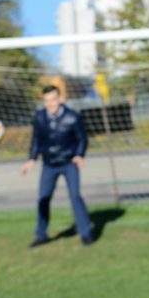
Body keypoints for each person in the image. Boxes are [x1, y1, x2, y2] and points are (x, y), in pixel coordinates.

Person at [20, 85, 93, 247]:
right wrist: (32, 159)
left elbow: (82, 138)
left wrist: (79, 155)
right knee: (43, 199)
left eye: (53, 100)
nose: (50, 104)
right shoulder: (39, 117)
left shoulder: (73, 117)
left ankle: (86, 233)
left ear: (60, 99)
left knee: (75, 196)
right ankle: (41, 235)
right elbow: (36, 140)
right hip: (49, 164)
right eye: (47, 101)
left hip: (69, 163)